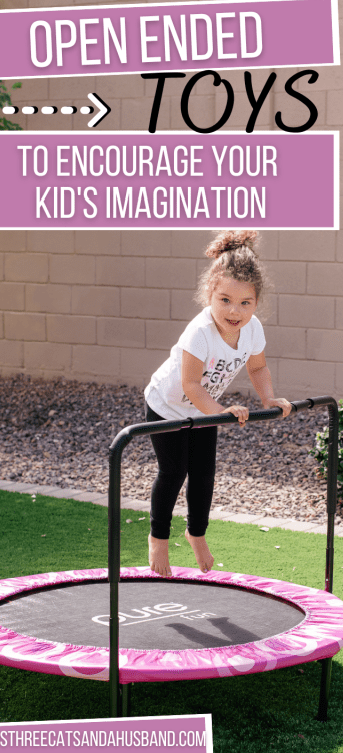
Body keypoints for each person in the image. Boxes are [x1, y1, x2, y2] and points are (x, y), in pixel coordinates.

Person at [144, 229, 291, 578]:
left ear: (256, 304)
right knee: (174, 470)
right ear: (209, 293)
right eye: (224, 300)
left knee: (204, 474)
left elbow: (257, 366)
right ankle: (158, 538)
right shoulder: (200, 332)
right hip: (167, 405)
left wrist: (268, 397)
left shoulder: (253, 329)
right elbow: (190, 384)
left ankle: (196, 534)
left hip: (204, 408)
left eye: (245, 303)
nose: (234, 311)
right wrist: (221, 412)